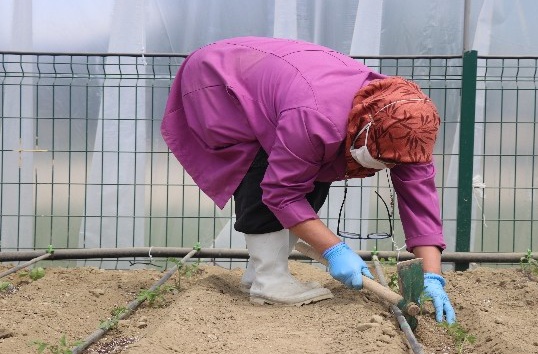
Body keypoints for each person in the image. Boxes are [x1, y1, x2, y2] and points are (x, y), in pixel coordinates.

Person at [161, 36, 456, 324]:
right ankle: (269, 280)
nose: (389, 167)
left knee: (312, 172)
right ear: (363, 130)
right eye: (386, 160)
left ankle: (258, 273)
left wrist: (433, 275)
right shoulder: (316, 118)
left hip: (282, 79)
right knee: (265, 169)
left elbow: (420, 203)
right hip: (218, 79)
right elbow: (280, 194)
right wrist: (335, 249)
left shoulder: (410, 129)